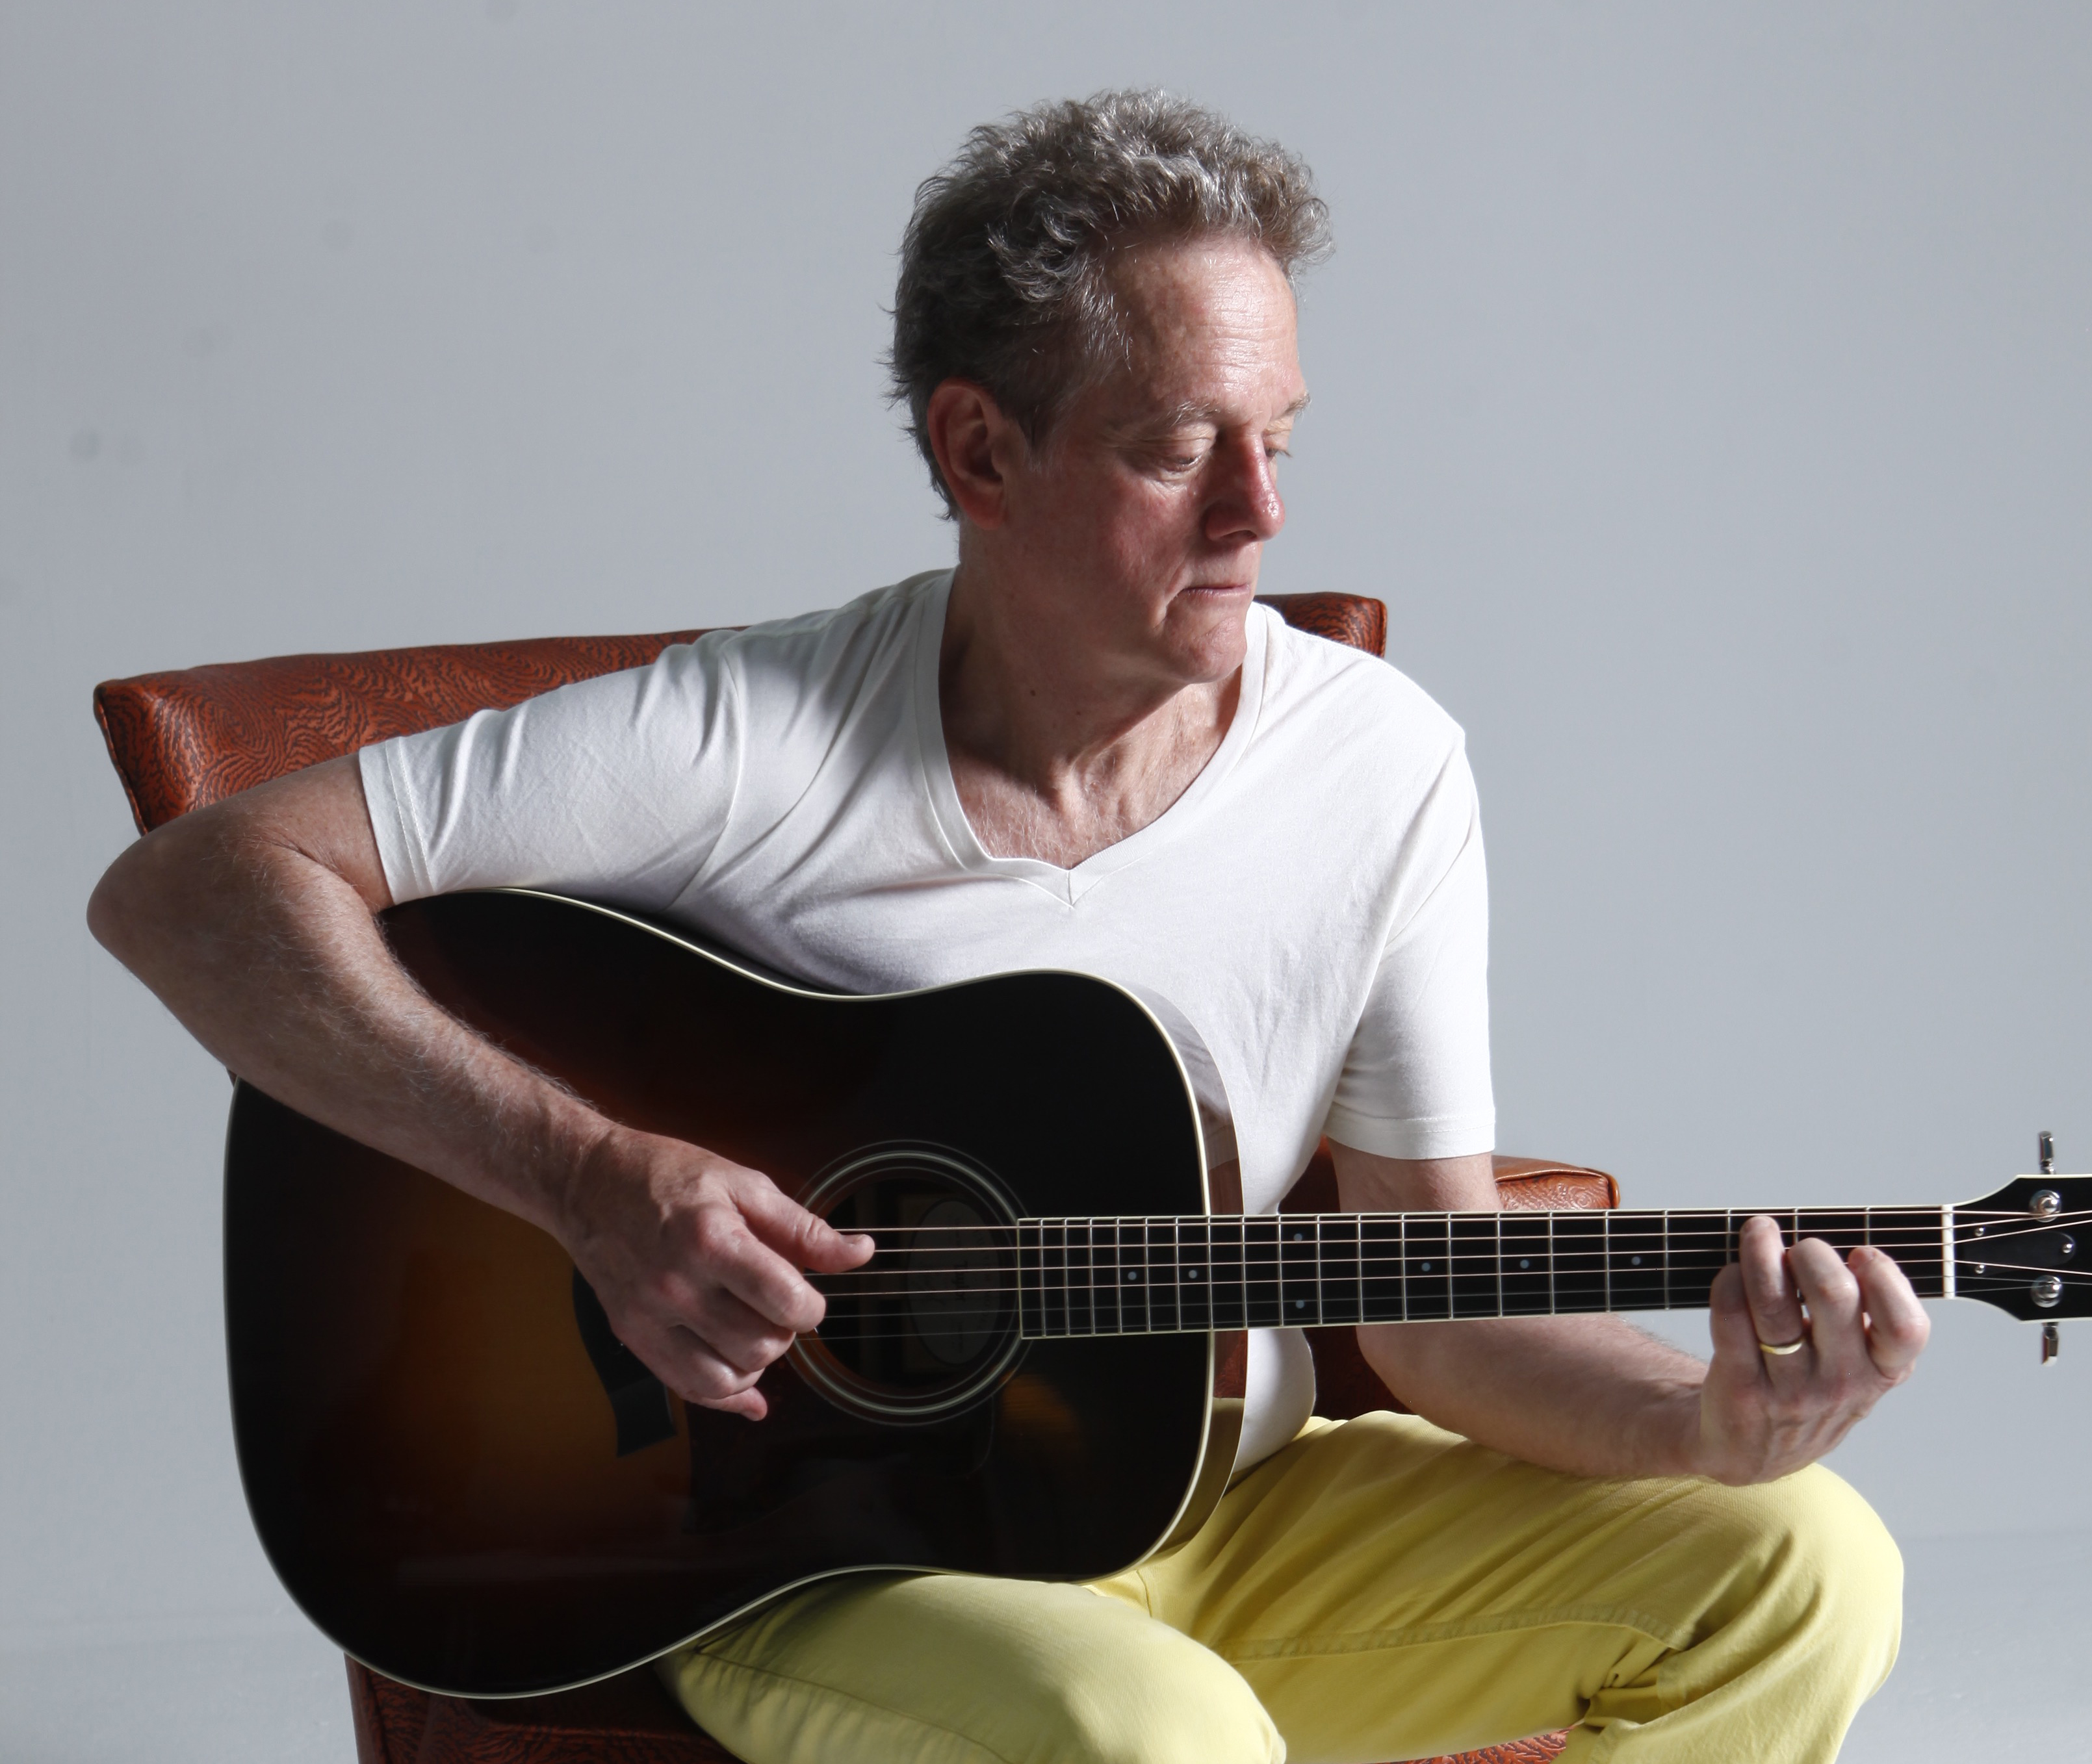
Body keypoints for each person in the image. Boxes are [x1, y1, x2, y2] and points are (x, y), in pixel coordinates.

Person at [88, 91, 1927, 1764]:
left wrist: (1709, 1418)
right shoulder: (744, 738)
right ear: (980, 449)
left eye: (1281, 436)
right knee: (1154, 1735)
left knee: (1805, 1565)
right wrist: (584, 1176)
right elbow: (186, 892)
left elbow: (1437, 1307)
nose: (1260, 511)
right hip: (804, 1553)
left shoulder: (1382, 767)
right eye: (1178, 447)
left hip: (1232, 1511)